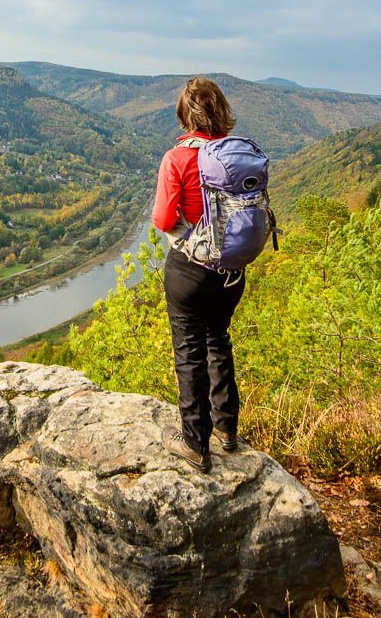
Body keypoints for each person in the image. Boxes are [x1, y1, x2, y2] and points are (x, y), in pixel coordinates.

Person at [152, 76, 245, 472]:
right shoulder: (238, 155)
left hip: (190, 270)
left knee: (189, 349)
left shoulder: (178, 158)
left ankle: (194, 443)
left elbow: (161, 219)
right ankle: (227, 431)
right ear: (221, 109)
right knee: (218, 341)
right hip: (232, 271)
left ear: (184, 114)